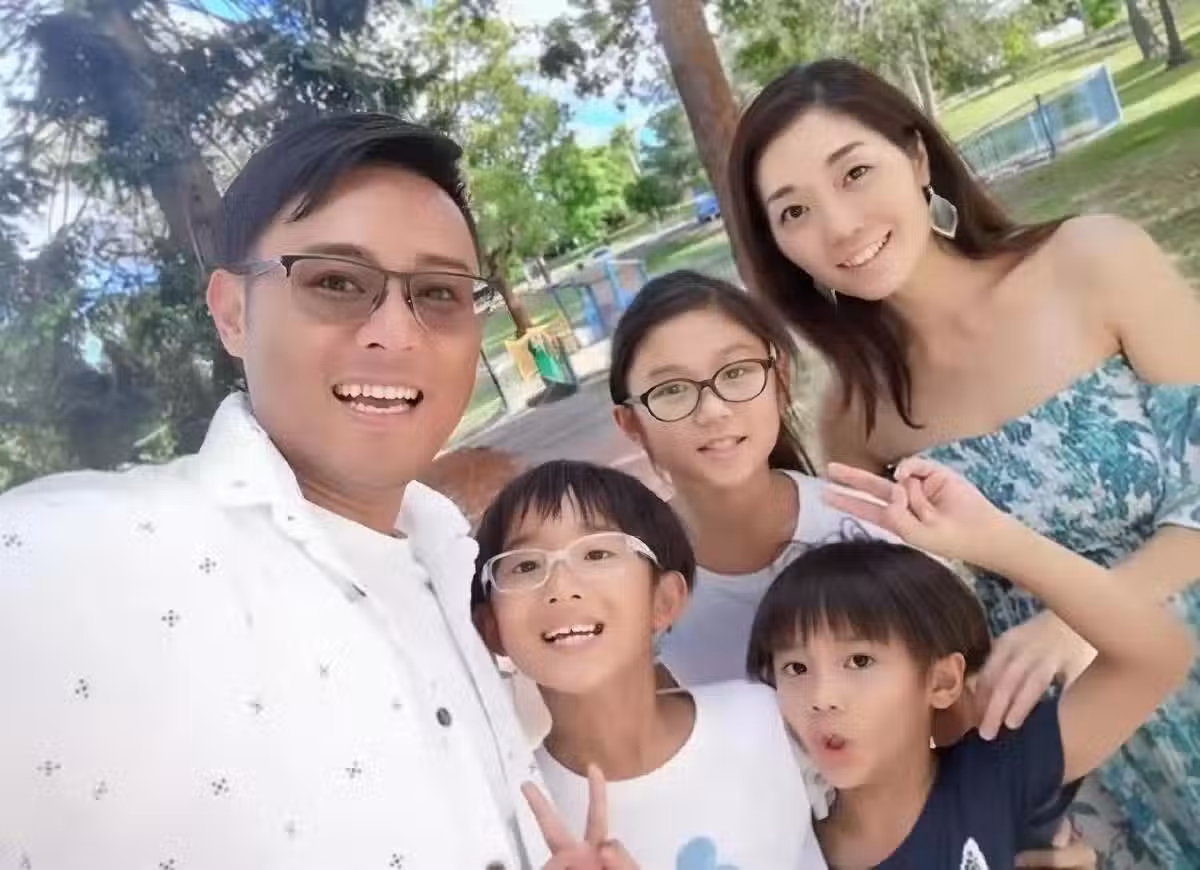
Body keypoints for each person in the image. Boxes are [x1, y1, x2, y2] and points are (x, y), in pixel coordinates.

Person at [0, 113, 551, 868]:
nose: (398, 333)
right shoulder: (80, 563)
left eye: (439, 292)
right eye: (336, 282)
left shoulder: (452, 558)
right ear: (232, 314)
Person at [725, 57, 1200, 865]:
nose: (840, 226)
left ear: (917, 156)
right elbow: (924, 632)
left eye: (855, 173)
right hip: (1087, 757)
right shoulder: (856, 415)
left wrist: (1079, 616)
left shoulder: (1094, 261)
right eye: (795, 211)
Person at [745, 458, 1194, 869]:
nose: (821, 698)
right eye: (796, 668)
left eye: (859, 660)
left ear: (942, 681)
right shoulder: (775, 851)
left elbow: (1157, 656)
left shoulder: (998, 774)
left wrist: (996, 540)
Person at [471, 460, 829, 869]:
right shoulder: (510, 818)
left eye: (597, 553)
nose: (561, 586)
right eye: (525, 565)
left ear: (664, 600)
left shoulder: (766, 716)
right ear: (491, 627)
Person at [608, 270, 891, 687]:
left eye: (736, 372)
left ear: (780, 379)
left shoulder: (866, 524)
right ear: (631, 424)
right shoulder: (627, 586)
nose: (713, 411)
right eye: (671, 390)